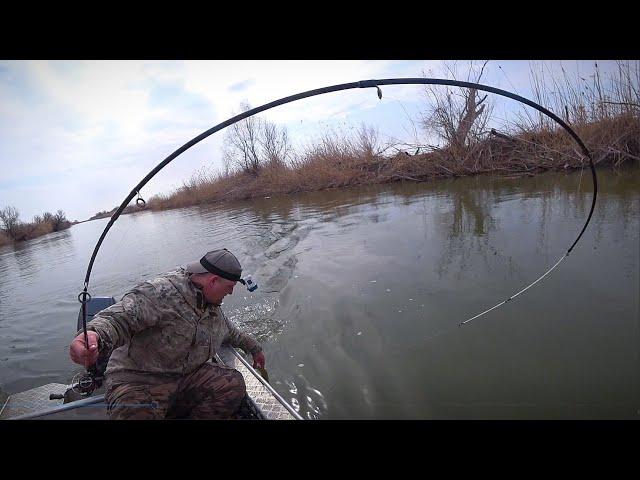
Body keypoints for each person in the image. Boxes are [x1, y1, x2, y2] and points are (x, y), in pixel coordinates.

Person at [69, 248, 265, 420]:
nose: (230, 293)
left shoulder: (211, 303)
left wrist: (255, 349)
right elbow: (118, 318)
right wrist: (93, 335)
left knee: (231, 385)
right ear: (213, 281)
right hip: (137, 382)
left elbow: (229, 331)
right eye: (229, 288)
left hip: (182, 379)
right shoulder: (160, 293)